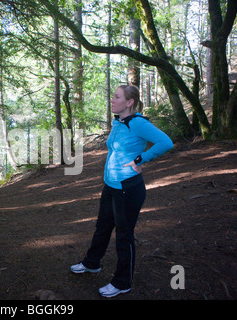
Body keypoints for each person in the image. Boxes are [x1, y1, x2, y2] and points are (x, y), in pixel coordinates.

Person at [70, 84, 174, 298]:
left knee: (124, 236)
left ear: (129, 103)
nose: (112, 100)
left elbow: (166, 142)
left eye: (117, 97)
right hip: (111, 186)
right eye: (113, 97)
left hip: (128, 189)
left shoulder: (137, 123)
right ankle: (92, 263)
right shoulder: (119, 122)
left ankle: (122, 281)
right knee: (102, 227)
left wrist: (141, 158)